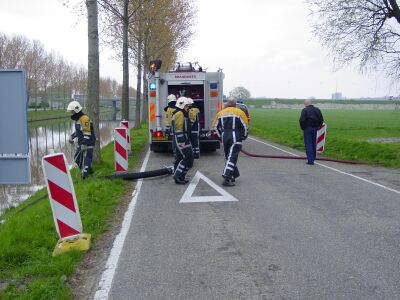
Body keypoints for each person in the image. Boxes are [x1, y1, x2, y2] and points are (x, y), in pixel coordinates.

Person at [212, 97, 249, 186]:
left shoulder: (220, 113)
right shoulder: (240, 112)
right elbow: (245, 127)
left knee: (227, 157)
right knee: (232, 157)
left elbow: (215, 127)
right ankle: (226, 176)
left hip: (225, 136)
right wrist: (243, 136)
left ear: (227, 104)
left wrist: (221, 136)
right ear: (235, 104)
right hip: (235, 136)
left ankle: (233, 175)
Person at [67, 100, 96, 179]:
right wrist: (72, 137)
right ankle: (90, 172)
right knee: (77, 158)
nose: (71, 114)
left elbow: (87, 133)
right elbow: (79, 132)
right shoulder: (78, 120)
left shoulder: (84, 119)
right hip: (82, 142)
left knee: (87, 158)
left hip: (88, 142)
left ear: (76, 110)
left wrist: (84, 143)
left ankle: (85, 177)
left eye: (72, 112)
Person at [171, 97, 194, 184]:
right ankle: (178, 176)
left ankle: (181, 176)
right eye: (186, 106)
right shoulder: (180, 113)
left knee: (182, 158)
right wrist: (183, 140)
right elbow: (179, 128)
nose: (188, 108)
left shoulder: (178, 113)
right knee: (188, 157)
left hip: (182, 138)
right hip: (182, 139)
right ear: (182, 105)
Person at [299, 99, 324, 165]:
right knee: (313, 143)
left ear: (306, 104)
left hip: (307, 129)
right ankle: (313, 157)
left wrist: (303, 128)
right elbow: (321, 119)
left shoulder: (305, 110)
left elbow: (302, 120)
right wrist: (318, 126)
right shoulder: (317, 110)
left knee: (308, 144)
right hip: (315, 128)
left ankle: (310, 161)